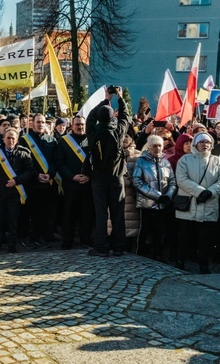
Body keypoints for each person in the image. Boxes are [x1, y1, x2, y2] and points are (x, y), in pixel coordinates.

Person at [86, 86, 131, 256]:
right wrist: (120, 98)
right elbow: (125, 118)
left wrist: (106, 100)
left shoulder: (92, 133)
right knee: (118, 214)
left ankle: (102, 247)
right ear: (113, 117)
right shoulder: (118, 132)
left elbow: (90, 117)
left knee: (101, 214)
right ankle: (119, 247)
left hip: (98, 178)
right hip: (116, 178)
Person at [174, 133, 220, 273]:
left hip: (209, 204)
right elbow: (181, 179)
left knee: (206, 239)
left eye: (208, 142)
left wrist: (210, 192)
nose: (205, 144)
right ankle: (180, 261)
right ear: (195, 144)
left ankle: (203, 264)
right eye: (202, 142)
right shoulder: (185, 159)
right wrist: (199, 191)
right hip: (189, 204)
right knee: (185, 236)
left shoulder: (217, 161)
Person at [0, 128, 34, 253]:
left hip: (15, 192)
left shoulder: (24, 152)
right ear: (3, 139)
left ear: (17, 139)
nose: (10, 140)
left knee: (13, 220)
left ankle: (12, 244)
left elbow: (29, 171)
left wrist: (17, 180)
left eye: (13, 138)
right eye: (8, 138)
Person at [132, 135, 177, 260]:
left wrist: (168, 195)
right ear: (149, 147)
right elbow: (136, 181)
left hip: (163, 203)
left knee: (159, 230)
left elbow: (172, 181)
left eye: (159, 146)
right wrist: (156, 196)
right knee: (145, 229)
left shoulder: (166, 162)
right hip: (147, 203)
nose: (157, 148)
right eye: (154, 146)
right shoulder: (141, 161)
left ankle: (157, 254)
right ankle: (140, 253)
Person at [20, 113, 59, 248]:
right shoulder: (25, 140)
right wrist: (37, 175)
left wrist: (51, 174)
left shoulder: (52, 140)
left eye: (43, 122)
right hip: (32, 182)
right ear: (32, 123)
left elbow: (56, 160)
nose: (41, 124)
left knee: (45, 211)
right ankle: (29, 236)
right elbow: (25, 162)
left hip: (48, 183)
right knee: (30, 212)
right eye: (38, 122)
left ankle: (43, 235)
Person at [55, 116, 93, 250]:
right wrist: (72, 177)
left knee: (87, 214)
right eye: (77, 124)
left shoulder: (91, 140)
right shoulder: (64, 141)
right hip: (71, 184)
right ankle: (67, 241)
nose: (80, 127)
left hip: (88, 184)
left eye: (82, 124)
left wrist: (89, 176)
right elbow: (60, 163)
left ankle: (85, 239)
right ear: (72, 126)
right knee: (69, 214)